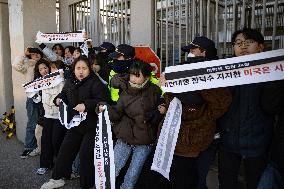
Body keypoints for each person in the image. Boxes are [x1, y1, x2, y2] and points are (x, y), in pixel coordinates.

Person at [40, 56, 110, 189]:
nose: (81, 71)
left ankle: (86, 185)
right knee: (65, 150)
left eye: (84, 68)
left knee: (85, 154)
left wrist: (86, 105)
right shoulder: (70, 81)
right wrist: (58, 99)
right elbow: (64, 94)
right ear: (74, 69)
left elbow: (103, 100)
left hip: (92, 125)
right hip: (75, 124)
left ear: (89, 69)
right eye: (78, 68)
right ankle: (57, 178)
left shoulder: (96, 82)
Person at [218, 28, 275, 189]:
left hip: (259, 143)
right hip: (227, 142)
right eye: (238, 43)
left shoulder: (272, 72)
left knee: (256, 183)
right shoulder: (222, 71)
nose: (243, 46)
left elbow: (272, 106)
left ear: (261, 47)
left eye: (248, 42)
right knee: (226, 183)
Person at [98, 60, 163, 189]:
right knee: (112, 169)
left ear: (147, 77)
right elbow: (116, 113)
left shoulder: (155, 91)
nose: (133, 78)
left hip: (144, 141)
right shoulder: (126, 91)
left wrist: (161, 109)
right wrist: (104, 107)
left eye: (137, 75)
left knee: (132, 175)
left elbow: (166, 104)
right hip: (125, 137)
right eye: (132, 75)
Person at [12, 47, 44, 158]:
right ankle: (29, 147)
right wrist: (24, 54)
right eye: (33, 54)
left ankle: (43, 147)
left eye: (37, 53)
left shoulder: (46, 65)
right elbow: (16, 65)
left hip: (46, 96)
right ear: (30, 56)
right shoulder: (28, 65)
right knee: (32, 123)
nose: (35, 55)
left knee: (45, 124)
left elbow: (56, 59)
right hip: (32, 97)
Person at [36, 60, 66, 175]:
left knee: (57, 140)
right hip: (48, 115)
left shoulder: (63, 80)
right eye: (52, 68)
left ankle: (60, 166)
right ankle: (44, 165)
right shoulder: (43, 81)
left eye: (56, 68)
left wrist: (62, 79)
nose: (53, 71)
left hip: (59, 116)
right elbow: (39, 97)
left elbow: (64, 93)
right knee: (46, 140)